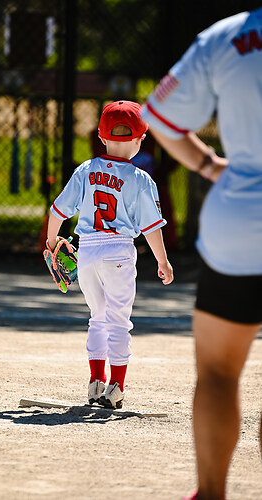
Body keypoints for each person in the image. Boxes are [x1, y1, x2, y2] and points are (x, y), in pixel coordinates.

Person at [140, 5, 262, 500]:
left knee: (217, 371)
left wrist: (208, 163)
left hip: (242, 223)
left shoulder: (228, 36)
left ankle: (211, 493)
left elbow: (159, 116)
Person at [46, 100, 173, 409]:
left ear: (100, 137)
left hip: (87, 251)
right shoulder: (141, 179)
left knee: (97, 318)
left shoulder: (85, 170)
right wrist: (162, 260)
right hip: (118, 251)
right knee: (119, 321)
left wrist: (52, 245)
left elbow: (58, 210)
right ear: (142, 139)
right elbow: (151, 227)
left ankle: (95, 383)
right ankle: (115, 387)